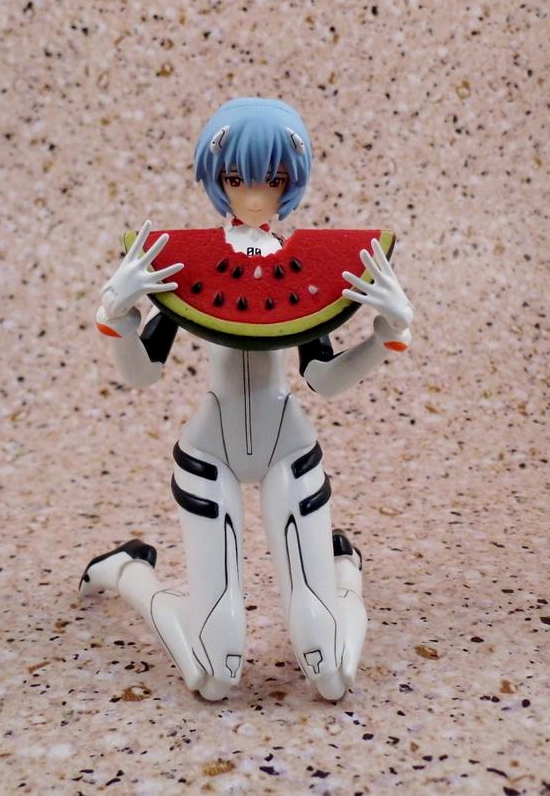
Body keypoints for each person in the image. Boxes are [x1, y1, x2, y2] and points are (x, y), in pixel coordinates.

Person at [80, 97, 413, 701]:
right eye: (237, 178)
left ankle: (345, 574)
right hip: (209, 453)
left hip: (291, 449)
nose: (256, 195)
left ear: (292, 181)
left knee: (332, 674)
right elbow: (143, 375)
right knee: (214, 673)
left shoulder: (307, 276)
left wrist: (385, 337)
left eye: (273, 179)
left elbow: (324, 379)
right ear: (216, 179)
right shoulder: (184, 266)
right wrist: (117, 317)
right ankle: (126, 570)